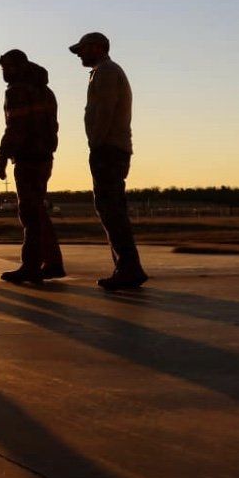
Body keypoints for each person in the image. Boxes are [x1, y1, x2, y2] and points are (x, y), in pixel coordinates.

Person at [71, 30, 146, 290]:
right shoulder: (102, 72)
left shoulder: (106, 72)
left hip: (108, 148)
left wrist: (97, 142)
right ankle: (127, 266)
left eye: (83, 48)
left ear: (98, 47)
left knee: (110, 208)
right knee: (110, 208)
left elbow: (105, 109)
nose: (79, 54)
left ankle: (128, 268)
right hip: (110, 147)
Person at [0, 49, 64, 283]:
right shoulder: (45, 91)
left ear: (19, 67)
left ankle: (31, 265)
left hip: (28, 157)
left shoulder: (18, 91)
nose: (4, 73)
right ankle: (53, 262)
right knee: (38, 211)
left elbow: (16, 125)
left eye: (7, 68)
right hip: (44, 156)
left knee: (30, 214)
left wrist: (3, 154)